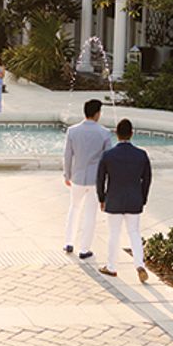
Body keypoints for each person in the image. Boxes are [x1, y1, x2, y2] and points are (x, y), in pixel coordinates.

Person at [96, 118, 151, 283]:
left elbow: (100, 179)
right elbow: (147, 179)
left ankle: (111, 267)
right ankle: (139, 264)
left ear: (116, 134)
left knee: (114, 233)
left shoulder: (108, 155)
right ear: (132, 134)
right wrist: (143, 198)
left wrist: (101, 198)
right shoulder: (141, 155)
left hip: (114, 199)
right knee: (134, 232)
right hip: (134, 199)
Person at [62, 99, 113, 259]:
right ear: (97, 113)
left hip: (77, 176)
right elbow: (109, 159)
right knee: (90, 214)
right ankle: (84, 249)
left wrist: (67, 174)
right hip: (95, 180)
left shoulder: (72, 131)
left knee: (74, 208)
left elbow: (67, 155)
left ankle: (68, 242)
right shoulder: (104, 133)